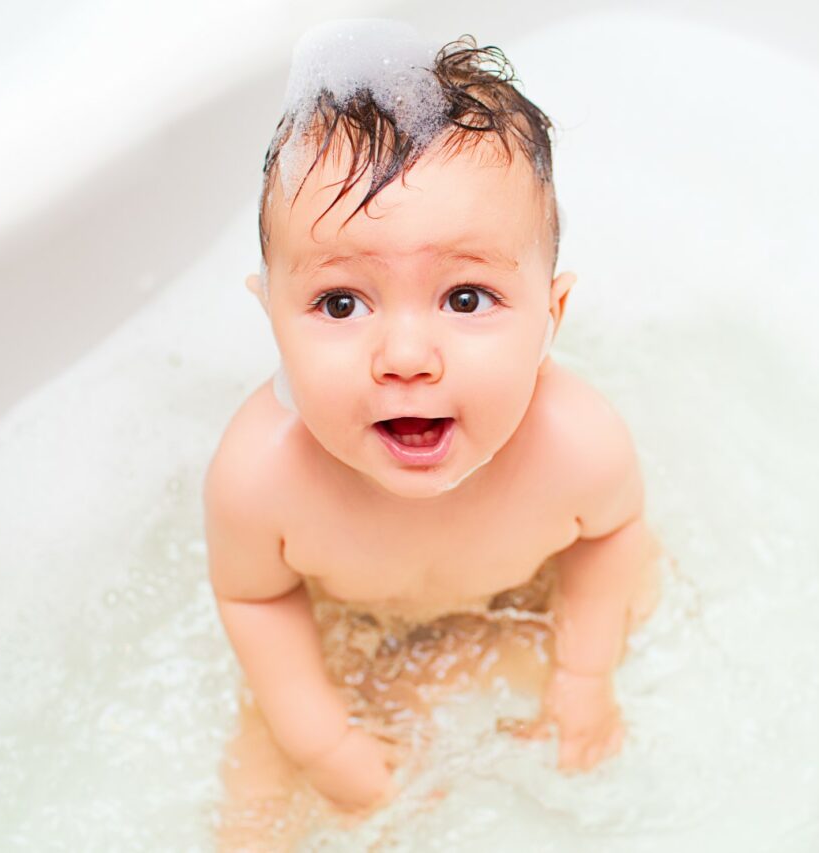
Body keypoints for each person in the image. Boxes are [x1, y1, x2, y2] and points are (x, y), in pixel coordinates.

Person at [203, 22, 665, 845]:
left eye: (465, 298)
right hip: (341, 630)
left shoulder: (578, 444)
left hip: (518, 603)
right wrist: (324, 742)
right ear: (270, 315)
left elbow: (611, 538)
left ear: (550, 318)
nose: (407, 358)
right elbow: (257, 597)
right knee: (257, 795)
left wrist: (584, 676)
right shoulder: (259, 477)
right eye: (341, 303)